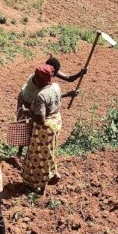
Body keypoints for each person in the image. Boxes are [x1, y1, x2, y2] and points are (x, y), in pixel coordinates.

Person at [22, 64, 78, 193]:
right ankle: (53, 174)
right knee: (49, 152)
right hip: (56, 121)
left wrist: (28, 113)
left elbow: (40, 119)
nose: (34, 79)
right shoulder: (56, 87)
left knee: (38, 157)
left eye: (36, 77)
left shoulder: (41, 95)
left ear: (41, 79)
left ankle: (38, 185)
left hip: (44, 129)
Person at [13, 57, 85, 158]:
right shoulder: (38, 81)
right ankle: (20, 152)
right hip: (25, 100)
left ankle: (29, 152)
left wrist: (79, 74)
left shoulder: (47, 73)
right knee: (23, 125)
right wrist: (68, 94)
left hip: (35, 100)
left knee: (34, 125)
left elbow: (69, 79)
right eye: (54, 73)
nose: (54, 76)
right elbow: (48, 97)